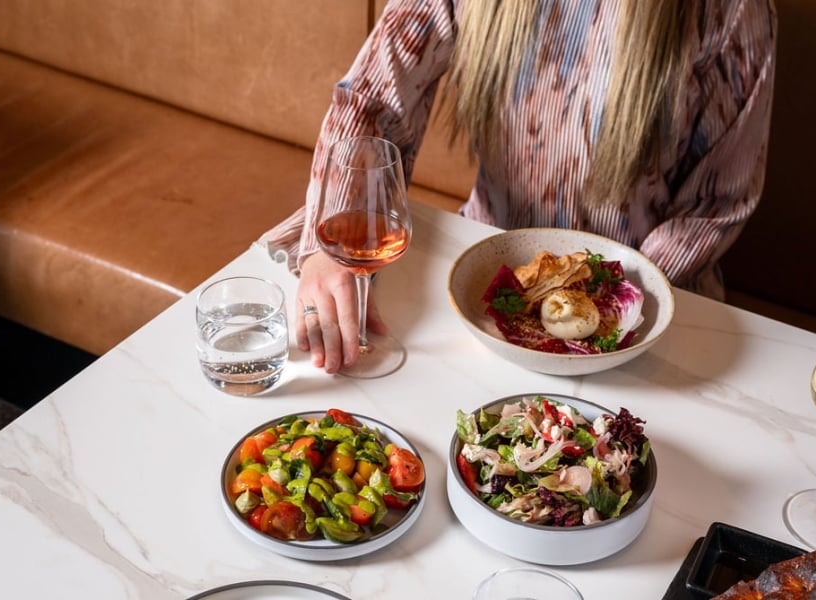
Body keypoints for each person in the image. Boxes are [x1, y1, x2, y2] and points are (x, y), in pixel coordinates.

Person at [259, 0, 777, 374]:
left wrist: (607, 306)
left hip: (645, 314)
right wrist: (328, 249)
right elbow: (373, 102)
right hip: (484, 283)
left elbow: (718, 200)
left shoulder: (731, 9)